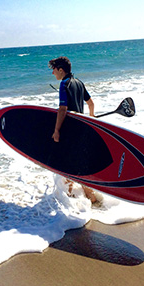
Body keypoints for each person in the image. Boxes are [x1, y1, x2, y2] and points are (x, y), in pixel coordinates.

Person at [48, 56, 99, 204]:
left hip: (69, 132)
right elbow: (90, 103)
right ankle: (91, 200)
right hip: (81, 131)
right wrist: (91, 119)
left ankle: (71, 203)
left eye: (54, 70)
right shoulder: (79, 83)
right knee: (75, 166)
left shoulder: (65, 84)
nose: (53, 74)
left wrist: (56, 130)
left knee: (68, 168)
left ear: (61, 70)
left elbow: (62, 109)